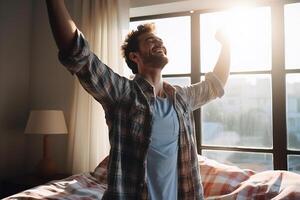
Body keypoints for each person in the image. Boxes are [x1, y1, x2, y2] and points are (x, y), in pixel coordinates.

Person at [45, 1, 230, 199]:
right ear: (135, 56)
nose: (159, 43)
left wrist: (227, 44)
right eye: (150, 40)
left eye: (160, 40)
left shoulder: (181, 99)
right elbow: (78, 54)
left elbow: (215, 85)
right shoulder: (123, 94)